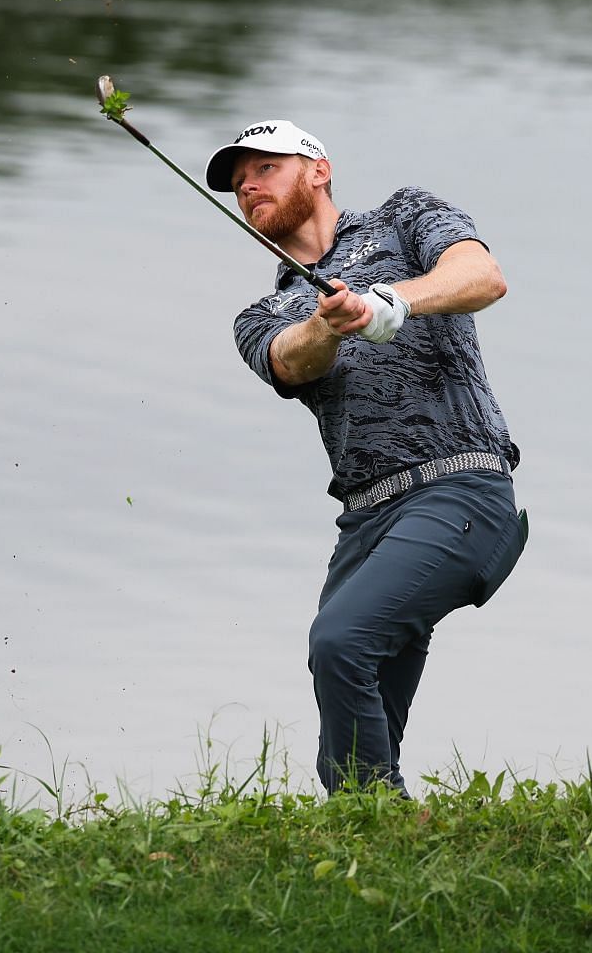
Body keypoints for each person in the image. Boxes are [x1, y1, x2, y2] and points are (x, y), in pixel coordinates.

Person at [206, 118, 527, 797]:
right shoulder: (267, 311)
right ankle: (384, 848)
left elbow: (482, 275)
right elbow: (290, 360)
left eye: (265, 168)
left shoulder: (406, 216)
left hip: (461, 489)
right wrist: (326, 322)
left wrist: (391, 301)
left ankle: (383, 833)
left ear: (317, 169)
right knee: (346, 752)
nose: (250, 188)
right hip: (366, 523)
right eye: (239, 184)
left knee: (341, 641)